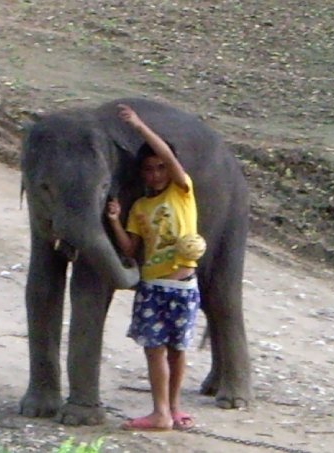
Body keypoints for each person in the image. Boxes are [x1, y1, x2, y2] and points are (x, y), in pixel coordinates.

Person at [106, 104, 201, 431]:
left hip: (184, 285)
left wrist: (138, 125)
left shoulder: (181, 191)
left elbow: (170, 159)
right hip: (153, 287)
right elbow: (131, 249)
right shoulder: (141, 208)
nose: (156, 174)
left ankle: (172, 409)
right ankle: (160, 412)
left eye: (161, 168)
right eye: (149, 169)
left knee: (177, 350)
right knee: (155, 350)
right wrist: (116, 221)